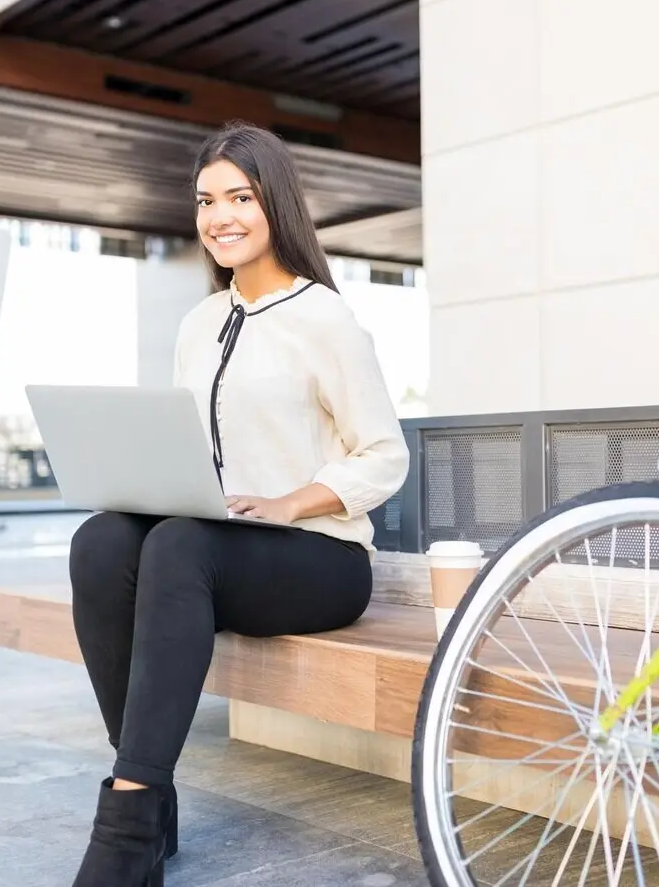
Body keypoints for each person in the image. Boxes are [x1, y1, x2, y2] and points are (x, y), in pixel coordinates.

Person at [66, 121, 411, 886]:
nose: (220, 216)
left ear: (274, 203)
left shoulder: (326, 318)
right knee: (101, 541)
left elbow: (385, 456)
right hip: (221, 543)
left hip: (322, 558)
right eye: (206, 201)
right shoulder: (198, 324)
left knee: (179, 547)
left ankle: (125, 837)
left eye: (239, 197)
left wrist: (291, 503)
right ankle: (146, 797)